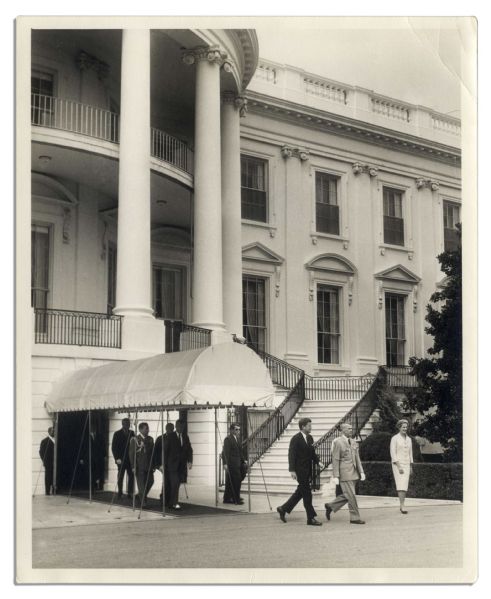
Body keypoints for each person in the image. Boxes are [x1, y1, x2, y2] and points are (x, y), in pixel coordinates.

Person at [276, 418, 324, 526]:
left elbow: (312, 452)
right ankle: (310, 518)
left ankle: (283, 508)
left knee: (300, 492)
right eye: (309, 425)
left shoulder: (310, 438)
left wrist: (318, 461)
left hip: (308, 470)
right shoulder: (295, 439)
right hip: (300, 470)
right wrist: (292, 470)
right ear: (303, 427)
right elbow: (291, 455)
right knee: (307, 493)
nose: (311, 427)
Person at [324, 422, 366, 524]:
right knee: (351, 495)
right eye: (349, 429)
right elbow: (335, 459)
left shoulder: (353, 441)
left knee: (348, 495)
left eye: (352, 429)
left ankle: (331, 505)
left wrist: (361, 471)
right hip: (345, 473)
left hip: (354, 473)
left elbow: (357, 458)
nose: (351, 430)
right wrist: (336, 476)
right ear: (342, 430)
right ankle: (355, 517)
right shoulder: (338, 442)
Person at [155, 423, 181, 509]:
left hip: (171, 465)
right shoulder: (160, 438)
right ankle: (164, 500)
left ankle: (170, 501)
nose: (171, 430)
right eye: (169, 429)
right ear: (166, 429)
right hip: (163, 464)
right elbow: (157, 452)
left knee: (172, 483)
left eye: (172, 429)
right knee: (166, 483)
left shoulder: (174, 437)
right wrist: (159, 465)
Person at [390, 418, 414, 514]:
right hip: (397, 465)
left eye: (406, 427)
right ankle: (402, 505)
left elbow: (410, 453)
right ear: (399, 427)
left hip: (407, 464)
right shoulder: (394, 438)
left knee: (405, 485)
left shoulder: (409, 439)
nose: (405, 429)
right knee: (400, 484)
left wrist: (411, 466)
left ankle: (402, 504)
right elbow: (393, 453)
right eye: (403, 427)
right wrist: (399, 466)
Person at [129, 422, 155, 507]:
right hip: (139, 466)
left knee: (150, 481)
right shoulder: (135, 439)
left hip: (149, 465)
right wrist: (133, 466)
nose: (148, 430)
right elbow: (132, 454)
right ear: (140, 429)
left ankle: (139, 496)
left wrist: (154, 465)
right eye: (146, 428)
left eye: (148, 428)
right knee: (141, 485)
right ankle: (143, 502)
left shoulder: (150, 439)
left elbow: (152, 453)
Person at [222, 423, 247, 505]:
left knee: (231, 481)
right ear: (232, 430)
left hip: (238, 464)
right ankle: (236, 498)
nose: (238, 431)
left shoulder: (237, 439)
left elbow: (240, 452)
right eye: (236, 429)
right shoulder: (228, 439)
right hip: (232, 464)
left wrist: (244, 461)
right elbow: (225, 452)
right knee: (236, 480)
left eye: (239, 429)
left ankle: (228, 498)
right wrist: (225, 463)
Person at [111, 418, 135, 499]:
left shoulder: (132, 433)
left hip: (130, 459)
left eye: (128, 424)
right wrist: (116, 458)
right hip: (121, 459)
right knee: (120, 476)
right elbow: (114, 447)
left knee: (131, 476)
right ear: (122, 424)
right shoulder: (117, 434)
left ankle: (130, 492)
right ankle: (120, 492)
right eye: (125, 424)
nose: (127, 426)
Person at [175, 419, 193, 486]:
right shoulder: (171, 436)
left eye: (183, 427)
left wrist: (190, 461)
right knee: (175, 484)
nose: (182, 428)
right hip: (172, 467)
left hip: (182, 466)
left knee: (178, 484)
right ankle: (172, 497)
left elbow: (189, 450)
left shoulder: (185, 437)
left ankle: (174, 496)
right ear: (176, 426)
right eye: (180, 426)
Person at [39, 426, 55, 495]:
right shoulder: (44, 441)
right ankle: (47, 491)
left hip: (55, 463)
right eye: (52, 431)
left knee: (54, 476)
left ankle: (55, 491)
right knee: (48, 476)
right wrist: (44, 461)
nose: (54, 432)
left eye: (54, 431)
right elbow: (41, 452)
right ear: (49, 432)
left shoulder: (56, 440)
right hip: (48, 463)